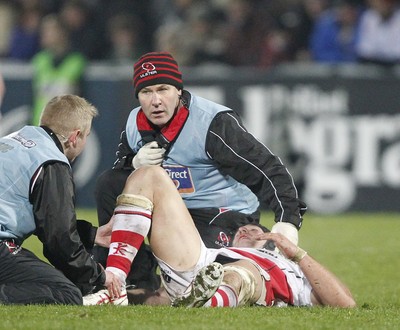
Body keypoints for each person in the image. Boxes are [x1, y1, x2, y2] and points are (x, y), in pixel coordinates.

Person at [94, 51, 307, 289]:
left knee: (199, 274)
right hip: (172, 210)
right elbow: (121, 172)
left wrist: (288, 220)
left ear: (178, 90)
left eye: (163, 89)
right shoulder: (134, 122)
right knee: (109, 184)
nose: (155, 101)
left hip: (222, 213)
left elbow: (267, 168)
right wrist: (133, 164)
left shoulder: (212, 123)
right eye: (146, 92)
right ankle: (133, 277)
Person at [83, 165, 356, 308]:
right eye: (244, 230)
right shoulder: (215, 251)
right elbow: (158, 297)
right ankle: (114, 282)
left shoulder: (285, 268)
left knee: (240, 273)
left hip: (249, 281)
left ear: (273, 243)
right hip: (197, 267)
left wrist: (296, 253)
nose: (249, 230)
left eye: (258, 232)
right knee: (148, 175)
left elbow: (345, 303)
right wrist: (130, 296)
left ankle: (209, 302)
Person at [0, 94, 122, 305]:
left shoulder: (14, 139)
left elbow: (47, 220)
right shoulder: (51, 162)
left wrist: (92, 234)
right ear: (75, 137)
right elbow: (59, 240)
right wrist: (99, 276)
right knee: (66, 292)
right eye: (86, 136)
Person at [31, 14, 86, 126]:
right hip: (40, 126)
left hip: (65, 129)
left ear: (62, 33)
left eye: (49, 30)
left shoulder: (76, 62)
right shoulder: (39, 60)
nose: (44, 34)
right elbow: (33, 98)